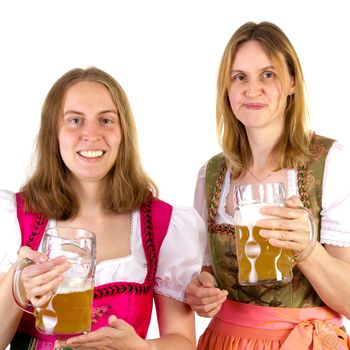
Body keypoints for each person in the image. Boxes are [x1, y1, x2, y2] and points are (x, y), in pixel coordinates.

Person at [0, 67, 206, 350]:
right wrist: (17, 284)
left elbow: (183, 341)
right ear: (53, 133)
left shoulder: (161, 224)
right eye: (75, 120)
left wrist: (142, 348)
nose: (91, 134)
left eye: (106, 120)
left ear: (123, 133)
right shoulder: (15, 220)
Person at [184, 21, 350, 349]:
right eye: (239, 77)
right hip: (225, 342)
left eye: (268, 75)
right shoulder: (211, 174)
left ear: (291, 82)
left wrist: (307, 249)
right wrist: (199, 292)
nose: (252, 89)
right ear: (227, 89)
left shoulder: (331, 163)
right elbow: (204, 275)